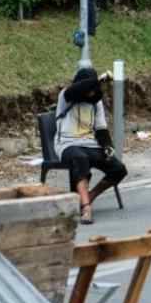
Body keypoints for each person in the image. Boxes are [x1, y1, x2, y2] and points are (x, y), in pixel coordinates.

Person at [54, 67, 128, 225]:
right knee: (80, 158)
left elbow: (101, 129)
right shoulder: (66, 95)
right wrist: (97, 81)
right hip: (67, 144)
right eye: (90, 88)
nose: (91, 92)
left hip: (90, 144)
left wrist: (107, 146)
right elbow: (77, 89)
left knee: (118, 169)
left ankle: (89, 197)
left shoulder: (96, 103)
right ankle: (86, 208)